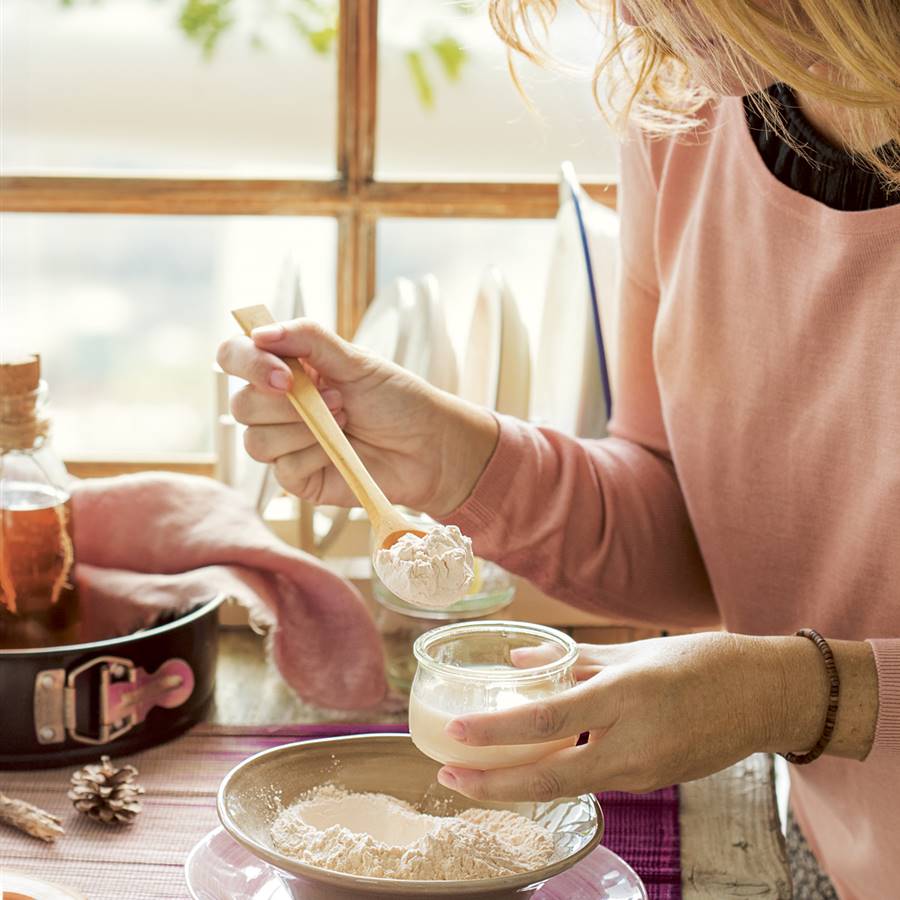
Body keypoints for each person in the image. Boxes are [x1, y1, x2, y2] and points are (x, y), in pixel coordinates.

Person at [217, 2, 899, 897]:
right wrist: (458, 463)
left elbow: (793, 680)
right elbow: (695, 523)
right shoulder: (686, 105)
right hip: (828, 847)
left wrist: (795, 695)